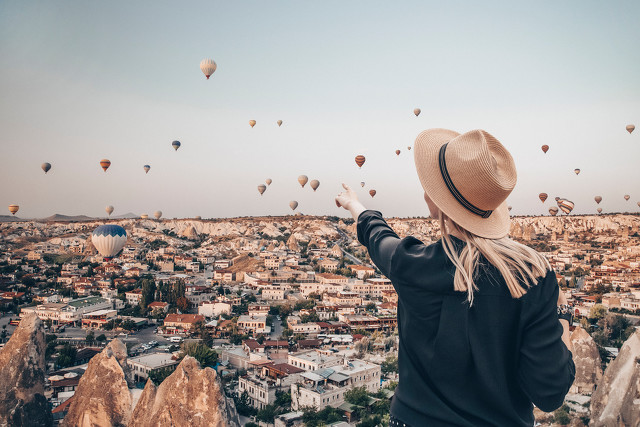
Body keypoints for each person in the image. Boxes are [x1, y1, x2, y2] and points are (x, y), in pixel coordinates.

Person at [335, 129, 575, 427]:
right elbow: (550, 393)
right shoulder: (534, 276)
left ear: (437, 204)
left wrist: (354, 205)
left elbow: (377, 235)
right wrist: (562, 314)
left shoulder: (411, 264)